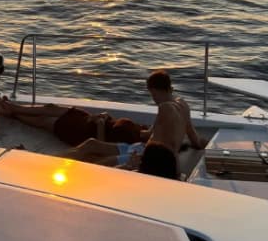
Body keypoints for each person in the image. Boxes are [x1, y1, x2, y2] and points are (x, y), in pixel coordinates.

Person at [64, 70, 207, 179]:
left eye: (152, 95)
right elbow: (194, 137)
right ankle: (55, 162)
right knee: (92, 143)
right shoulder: (183, 105)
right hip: (141, 148)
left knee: (100, 161)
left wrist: (130, 132)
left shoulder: (165, 108)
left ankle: (59, 166)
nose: (153, 99)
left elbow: (150, 139)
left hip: (147, 156)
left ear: (155, 91)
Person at [0, 98, 145, 147]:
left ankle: (13, 114)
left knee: (44, 122)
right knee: (50, 107)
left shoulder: (132, 143)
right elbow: (113, 121)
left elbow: (101, 146)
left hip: (83, 133)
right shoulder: (141, 128)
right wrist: (104, 116)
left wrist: (100, 125)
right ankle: (15, 107)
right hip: (87, 118)